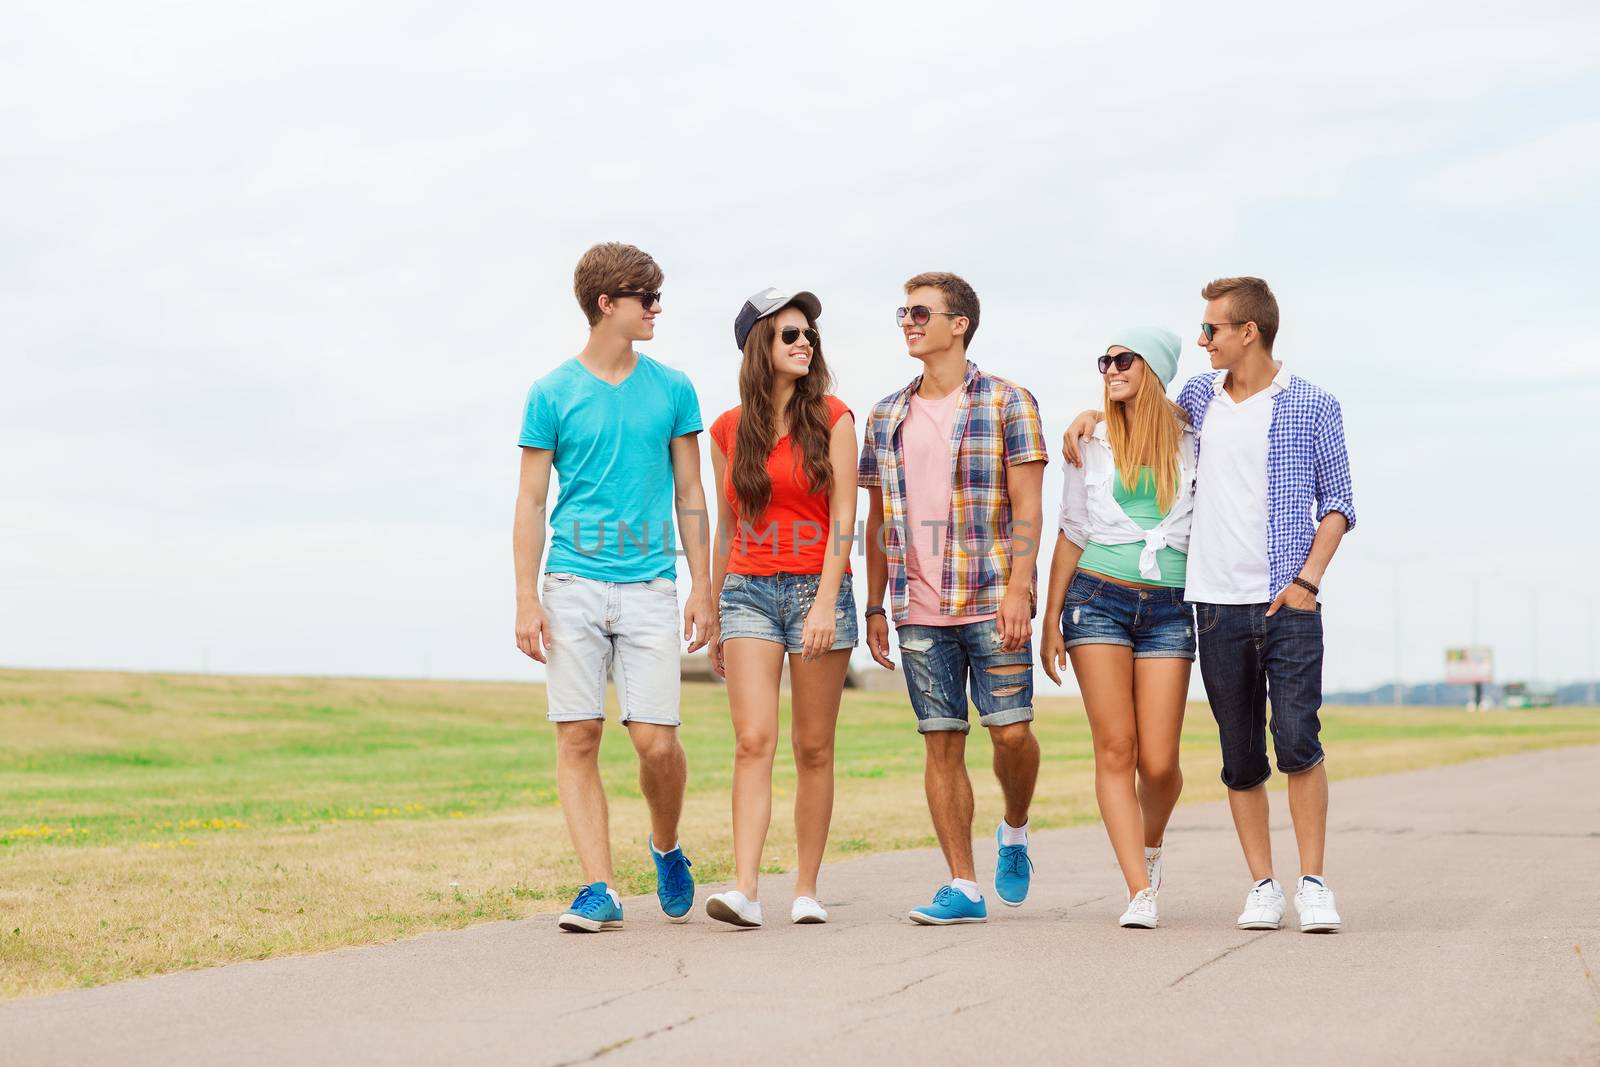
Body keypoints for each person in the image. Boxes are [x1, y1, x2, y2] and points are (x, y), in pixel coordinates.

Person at [1062, 277, 1355, 933]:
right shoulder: (1197, 398)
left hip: (1288, 599)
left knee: (1299, 740)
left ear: (1248, 331)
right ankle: (1262, 884)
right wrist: (1087, 415)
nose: (1202, 340)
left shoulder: (1313, 405)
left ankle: (1312, 882)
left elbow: (1338, 504)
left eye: (1212, 329)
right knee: (1240, 751)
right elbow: (1134, 412)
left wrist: (1307, 579)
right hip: (1214, 604)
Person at [512, 241, 715, 933]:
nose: (657, 308)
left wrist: (702, 584)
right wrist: (526, 596)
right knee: (578, 736)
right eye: (646, 297)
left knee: (656, 742)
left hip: (650, 585)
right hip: (570, 582)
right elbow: (531, 500)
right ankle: (598, 886)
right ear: (608, 303)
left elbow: (691, 491)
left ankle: (666, 846)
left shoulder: (674, 387)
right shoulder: (551, 393)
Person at [858, 271, 1049, 926]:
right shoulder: (886, 413)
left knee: (1013, 734)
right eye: (902, 312)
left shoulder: (1008, 402)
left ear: (958, 323)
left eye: (920, 312)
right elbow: (877, 518)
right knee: (941, 742)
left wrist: (1022, 587)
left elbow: (1029, 506)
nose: (907, 322)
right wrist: (875, 603)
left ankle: (1016, 827)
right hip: (918, 610)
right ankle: (963, 884)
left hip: (994, 596)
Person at [700, 288, 859, 929]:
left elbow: (846, 516)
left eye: (808, 335)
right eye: (788, 334)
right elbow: (726, 527)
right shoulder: (727, 428)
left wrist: (826, 601)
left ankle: (807, 889)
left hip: (817, 591)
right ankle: (744, 890)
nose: (803, 343)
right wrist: (711, 608)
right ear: (758, 347)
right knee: (752, 740)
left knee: (813, 746)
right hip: (748, 593)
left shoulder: (837, 417)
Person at [1040, 328, 1196, 930]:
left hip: (1169, 605)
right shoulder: (1090, 441)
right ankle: (1139, 890)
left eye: (1121, 359)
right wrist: (1051, 620)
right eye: (1103, 360)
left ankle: (1150, 848)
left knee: (1158, 763)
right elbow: (1072, 530)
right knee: (1116, 748)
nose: (1109, 368)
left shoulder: (1194, 440)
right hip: (1095, 599)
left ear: (1152, 368)